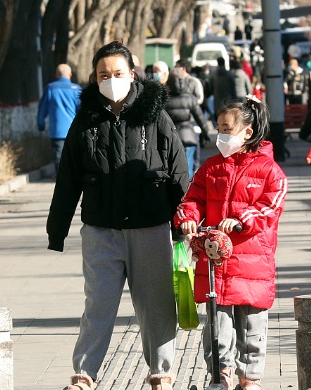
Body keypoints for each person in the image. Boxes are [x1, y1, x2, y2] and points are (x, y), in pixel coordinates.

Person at [46, 41, 189, 390]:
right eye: (103, 75)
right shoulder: (86, 119)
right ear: (94, 79)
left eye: (118, 73)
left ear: (132, 74)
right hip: (100, 229)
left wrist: (185, 221)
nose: (111, 79)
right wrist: (57, 230)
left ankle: (161, 373)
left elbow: (177, 170)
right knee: (98, 304)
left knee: (156, 306)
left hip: (150, 227)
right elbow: (68, 178)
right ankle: (84, 375)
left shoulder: (155, 114)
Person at [175, 97, 287, 390]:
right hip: (215, 262)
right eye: (220, 127)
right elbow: (193, 199)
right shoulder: (211, 167)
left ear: (247, 133)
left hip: (252, 263)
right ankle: (219, 375)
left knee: (251, 327)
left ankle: (250, 379)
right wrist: (188, 217)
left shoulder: (269, 171)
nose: (220, 134)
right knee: (216, 326)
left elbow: (270, 207)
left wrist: (241, 218)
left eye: (227, 128)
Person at [165, 67, 211, 178]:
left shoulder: (164, 99)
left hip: (169, 136)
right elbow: (200, 118)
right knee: (188, 166)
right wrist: (206, 133)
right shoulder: (190, 98)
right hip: (188, 135)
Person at [37, 63, 81, 172]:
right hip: (74, 131)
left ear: (56, 75)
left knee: (59, 156)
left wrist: (41, 126)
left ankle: (61, 181)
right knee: (74, 157)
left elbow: (42, 110)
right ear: (70, 75)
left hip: (57, 131)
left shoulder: (51, 88)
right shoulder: (77, 90)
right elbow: (82, 112)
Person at [209, 56, 236, 122]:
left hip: (217, 100)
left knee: (220, 118)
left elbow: (210, 88)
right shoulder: (229, 75)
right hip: (228, 99)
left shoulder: (213, 75)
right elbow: (233, 88)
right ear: (224, 63)